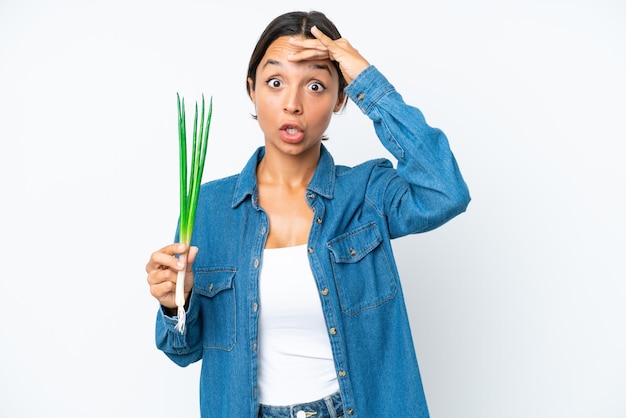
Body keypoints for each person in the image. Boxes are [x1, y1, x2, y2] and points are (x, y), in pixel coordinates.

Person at [146, 10, 470, 418]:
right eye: (275, 82)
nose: (293, 104)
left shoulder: (367, 192)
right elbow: (182, 351)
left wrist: (367, 80)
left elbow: (445, 190)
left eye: (315, 85)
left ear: (340, 98)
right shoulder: (207, 209)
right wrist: (175, 303)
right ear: (252, 89)